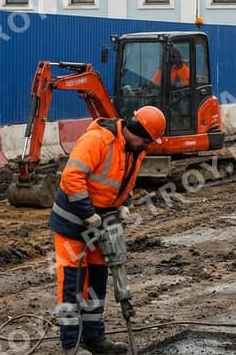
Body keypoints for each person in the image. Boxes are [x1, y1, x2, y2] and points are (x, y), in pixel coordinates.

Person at [49, 106, 166, 355]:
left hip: (101, 224)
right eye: (146, 141)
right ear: (136, 131)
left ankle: (94, 338)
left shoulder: (135, 149)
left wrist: (124, 203)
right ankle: (71, 346)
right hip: (72, 223)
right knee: (72, 285)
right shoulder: (98, 140)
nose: (147, 146)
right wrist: (87, 213)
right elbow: (71, 177)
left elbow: (125, 180)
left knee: (97, 282)